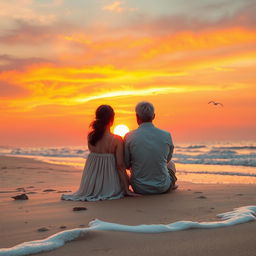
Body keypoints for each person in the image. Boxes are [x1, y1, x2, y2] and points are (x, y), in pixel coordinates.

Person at [62, 105, 137, 201]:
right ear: (112, 119)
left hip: (91, 184)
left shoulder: (91, 137)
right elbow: (120, 165)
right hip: (110, 184)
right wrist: (127, 189)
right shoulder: (116, 139)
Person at [124, 101, 177, 195]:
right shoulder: (166, 135)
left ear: (137, 117)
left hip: (139, 188)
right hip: (162, 187)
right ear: (154, 116)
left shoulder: (129, 136)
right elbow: (167, 160)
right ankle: (171, 184)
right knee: (171, 164)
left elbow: (127, 164)